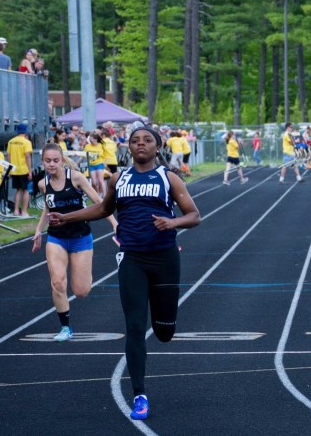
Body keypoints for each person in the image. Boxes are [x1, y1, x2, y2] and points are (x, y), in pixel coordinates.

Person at [49, 126, 201, 420]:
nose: (140, 144)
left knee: (164, 332)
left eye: (147, 140)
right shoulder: (118, 179)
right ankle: (139, 394)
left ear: (158, 146)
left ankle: (162, 328)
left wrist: (173, 223)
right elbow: (103, 209)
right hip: (132, 259)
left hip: (165, 260)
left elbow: (194, 215)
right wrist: (66, 217)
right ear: (128, 147)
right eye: (134, 141)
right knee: (134, 326)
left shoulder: (169, 178)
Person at [32, 144, 117, 341]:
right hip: (56, 238)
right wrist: (38, 230)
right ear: (42, 162)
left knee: (80, 291)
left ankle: (85, 274)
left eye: (55, 160)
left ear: (62, 160)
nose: (51, 164)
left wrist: (114, 223)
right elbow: (48, 208)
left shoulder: (76, 178)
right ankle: (65, 328)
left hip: (80, 237)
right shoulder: (43, 184)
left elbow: (99, 203)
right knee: (57, 282)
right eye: (47, 161)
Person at [7, 124, 34, 216]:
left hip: (14, 170)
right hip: (23, 169)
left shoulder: (11, 141)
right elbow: (27, 157)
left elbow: (9, 156)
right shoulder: (26, 142)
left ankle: (15, 211)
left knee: (18, 190)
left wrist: (9, 170)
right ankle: (24, 211)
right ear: (25, 131)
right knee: (26, 190)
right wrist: (29, 171)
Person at [84, 132, 107, 196]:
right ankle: (97, 194)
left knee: (100, 180)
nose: (90, 140)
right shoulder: (87, 146)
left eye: (91, 139)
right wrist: (77, 162)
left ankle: (105, 195)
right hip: (91, 165)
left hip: (99, 163)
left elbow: (105, 155)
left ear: (95, 139)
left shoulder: (100, 145)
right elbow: (84, 155)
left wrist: (105, 163)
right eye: (89, 139)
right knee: (94, 182)